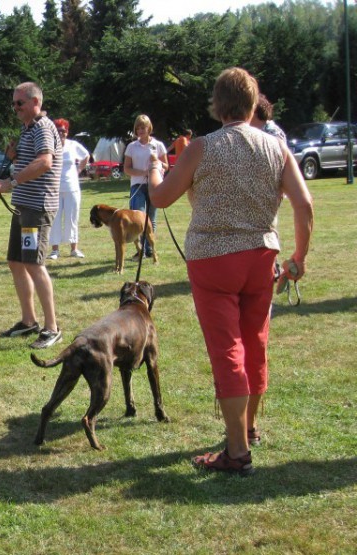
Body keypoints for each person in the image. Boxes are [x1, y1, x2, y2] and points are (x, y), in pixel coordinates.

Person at [148, 68, 313, 475]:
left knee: (228, 351)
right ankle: (250, 428)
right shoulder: (277, 147)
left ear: (217, 105)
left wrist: (155, 168)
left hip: (213, 259)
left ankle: (236, 452)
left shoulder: (202, 147)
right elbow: (304, 204)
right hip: (262, 256)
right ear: (254, 103)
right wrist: (299, 258)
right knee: (255, 344)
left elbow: (161, 197)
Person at [0, 81, 63, 349]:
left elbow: (45, 162)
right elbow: (32, 159)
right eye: (13, 103)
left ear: (35, 102)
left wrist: (11, 183)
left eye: (19, 103)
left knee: (33, 264)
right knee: (16, 261)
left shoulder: (43, 127)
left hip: (37, 207)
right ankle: (29, 320)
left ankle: (52, 327)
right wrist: (15, 155)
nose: (15, 108)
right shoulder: (28, 129)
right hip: (23, 207)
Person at [123, 114, 168, 259]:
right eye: (138, 128)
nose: (141, 130)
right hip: (137, 185)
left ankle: (149, 250)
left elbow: (166, 166)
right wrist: (143, 172)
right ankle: (140, 249)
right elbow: (127, 169)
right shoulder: (131, 146)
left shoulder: (158, 145)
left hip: (154, 185)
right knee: (138, 218)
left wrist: (157, 163)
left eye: (143, 127)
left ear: (149, 128)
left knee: (151, 218)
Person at [48, 118, 89, 259]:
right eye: (58, 131)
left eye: (63, 131)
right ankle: (55, 250)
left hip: (72, 187)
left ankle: (74, 248)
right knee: (55, 218)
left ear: (67, 132)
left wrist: (78, 170)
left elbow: (86, 156)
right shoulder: (50, 146)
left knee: (72, 217)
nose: (61, 133)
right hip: (54, 188)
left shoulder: (73, 145)